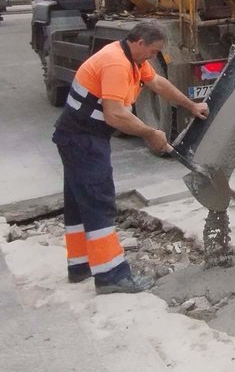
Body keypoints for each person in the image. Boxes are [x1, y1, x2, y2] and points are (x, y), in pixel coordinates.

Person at [53, 21, 209, 294]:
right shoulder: (116, 64)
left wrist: (191, 105)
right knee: (99, 202)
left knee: (79, 203)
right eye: (152, 51)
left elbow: (157, 83)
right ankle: (111, 276)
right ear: (138, 42)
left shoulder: (132, 58)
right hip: (83, 140)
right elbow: (115, 114)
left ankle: (80, 266)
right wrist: (151, 133)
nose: (153, 56)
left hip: (80, 138)